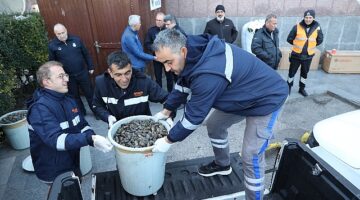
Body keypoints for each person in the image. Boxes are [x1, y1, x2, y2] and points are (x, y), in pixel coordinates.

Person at [151, 29, 288, 200]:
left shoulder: (208, 73)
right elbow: (183, 84)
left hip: (266, 99)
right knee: (215, 125)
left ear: (183, 51)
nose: (167, 68)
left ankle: (255, 198)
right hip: (241, 94)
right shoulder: (193, 50)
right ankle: (222, 164)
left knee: (251, 154)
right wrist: (166, 110)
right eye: (163, 63)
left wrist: (168, 140)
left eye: (169, 62)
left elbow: (193, 118)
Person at [27, 61, 112, 184]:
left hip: (72, 161)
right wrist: (89, 139)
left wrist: (92, 138)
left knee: (76, 189)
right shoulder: (40, 108)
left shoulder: (68, 99)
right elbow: (55, 140)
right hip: (54, 168)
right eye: (60, 76)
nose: (66, 79)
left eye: (65, 75)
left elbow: (81, 125)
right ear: (47, 82)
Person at [92, 51, 169, 128]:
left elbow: (167, 98)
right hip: (117, 128)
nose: (124, 79)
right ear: (110, 73)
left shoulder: (144, 81)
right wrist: (108, 117)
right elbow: (97, 105)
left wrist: (168, 114)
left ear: (131, 68)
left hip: (144, 128)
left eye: (127, 73)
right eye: (118, 75)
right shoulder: (101, 83)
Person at [48, 23, 95, 116]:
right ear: (55, 34)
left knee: (90, 94)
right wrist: (58, 76)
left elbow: (86, 54)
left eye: (63, 32)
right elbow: (53, 63)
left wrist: (91, 66)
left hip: (83, 73)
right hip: (68, 77)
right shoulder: (52, 45)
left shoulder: (76, 39)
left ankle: (96, 112)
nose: (61, 35)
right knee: (75, 96)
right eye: (59, 34)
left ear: (66, 30)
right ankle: (82, 113)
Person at [287, 9, 323, 96]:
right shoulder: (297, 26)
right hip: (296, 55)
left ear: (313, 18)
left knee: (304, 74)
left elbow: (320, 40)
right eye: (306, 17)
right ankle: (288, 88)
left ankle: (301, 89)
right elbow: (289, 39)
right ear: (304, 18)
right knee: (291, 73)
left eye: (310, 17)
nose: (308, 19)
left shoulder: (317, 28)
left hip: (308, 56)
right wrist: (298, 45)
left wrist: (309, 46)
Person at [145, 12, 174, 92]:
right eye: (156, 20)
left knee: (169, 76)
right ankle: (159, 94)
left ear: (164, 21)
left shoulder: (169, 30)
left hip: (167, 59)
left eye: (160, 20)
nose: (157, 22)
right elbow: (147, 43)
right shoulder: (151, 31)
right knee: (158, 77)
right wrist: (155, 48)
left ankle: (170, 93)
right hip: (157, 58)